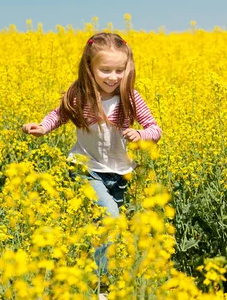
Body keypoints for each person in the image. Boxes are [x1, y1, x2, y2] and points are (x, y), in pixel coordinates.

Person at [22, 32, 162, 288]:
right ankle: (102, 286)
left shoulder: (130, 96)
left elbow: (155, 129)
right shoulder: (80, 94)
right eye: (105, 70)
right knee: (110, 219)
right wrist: (43, 127)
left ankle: (88, 274)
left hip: (120, 173)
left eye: (119, 70)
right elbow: (60, 114)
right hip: (85, 168)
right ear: (90, 68)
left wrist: (140, 134)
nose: (113, 77)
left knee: (106, 229)